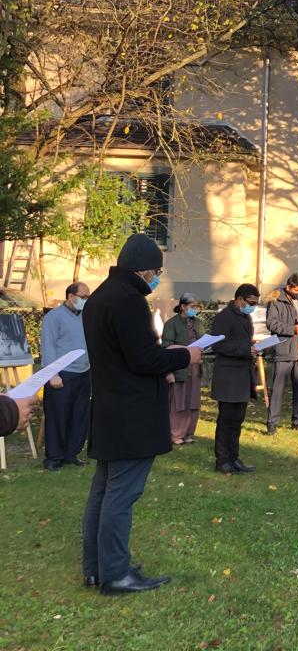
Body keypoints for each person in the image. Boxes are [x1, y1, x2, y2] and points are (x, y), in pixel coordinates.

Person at [82, 233, 202, 595]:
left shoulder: (99, 298)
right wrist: (184, 355)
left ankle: (97, 567)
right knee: (121, 495)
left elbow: (124, 355)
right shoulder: (129, 301)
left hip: (108, 409)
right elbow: (142, 359)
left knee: (103, 491)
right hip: (132, 413)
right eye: (157, 272)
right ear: (145, 270)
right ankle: (116, 574)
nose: (157, 278)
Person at [40, 282, 92, 470]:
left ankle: (71, 453)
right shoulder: (54, 317)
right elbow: (48, 346)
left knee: (79, 416)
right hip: (61, 374)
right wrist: (52, 374)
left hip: (83, 373)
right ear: (71, 296)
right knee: (57, 416)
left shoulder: (86, 317)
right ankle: (54, 457)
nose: (86, 300)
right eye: (83, 297)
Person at [210, 284, 260, 474]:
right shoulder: (224, 317)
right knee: (226, 420)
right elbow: (218, 345)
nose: (252, 307)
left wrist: (253, 350)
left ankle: (234, 457)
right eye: (250, 303)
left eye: (255, 303)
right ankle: (222, 460)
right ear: (239, 299)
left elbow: (242, 342)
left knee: (237, 420)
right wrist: (245, 350)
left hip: (242, 375)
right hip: (228, 376)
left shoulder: (246, 317)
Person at [265, 273, 298, 434]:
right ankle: (272, 423)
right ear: (288, 287)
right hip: (285, 349)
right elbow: (271, 323)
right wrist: (292, 329)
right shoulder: (276, 299)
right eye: (296, 290)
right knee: (278, 388)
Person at [161, 293, 204, 445]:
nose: (195, 309)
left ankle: (188, 433)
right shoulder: (172, 324)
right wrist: (169, 371)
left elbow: (202, 341)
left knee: (193, 402)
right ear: (183, 307)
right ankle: (175, 434)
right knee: (178, 403)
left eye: (197, 306)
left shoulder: (198, 323)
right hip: (179, 367)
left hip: (195, 368)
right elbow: (166, 346)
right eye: (193, 306)